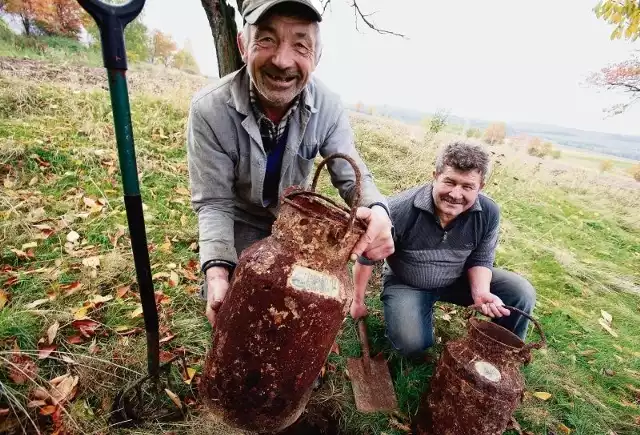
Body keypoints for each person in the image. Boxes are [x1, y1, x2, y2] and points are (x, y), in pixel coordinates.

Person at [186, 0, 394, 327]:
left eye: (300, 45)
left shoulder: (327, 107)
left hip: (296, 221)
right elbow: (214, 202)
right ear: (243, 45)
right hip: (241, 217)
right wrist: (216, 272)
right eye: (266, 39)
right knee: (239, 304)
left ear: (318, 56)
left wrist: (378, 208)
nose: (283, 61)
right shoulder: (209, 110)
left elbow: (352, 176)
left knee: (296, 307)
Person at [350, 141, 536, 357]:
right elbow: (366, 258)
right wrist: (357, 301)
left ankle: (502, 355)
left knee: (520, 292)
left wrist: (481, 292)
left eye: (467, 187)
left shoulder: (488, 212)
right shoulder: (398, 210)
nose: (456, 194)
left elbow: (482, 258)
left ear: (480, 187)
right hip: (409, 282)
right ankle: (415, 318)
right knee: (411, 345)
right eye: (450, 182)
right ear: (435, 175)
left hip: (458, 278)